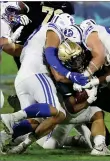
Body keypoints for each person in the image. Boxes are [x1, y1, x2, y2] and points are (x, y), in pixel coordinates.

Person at [0, 13, 86, 153]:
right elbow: (51, 55)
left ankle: (3, 137)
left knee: (35, 120)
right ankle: (11, 118)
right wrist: (69, 75)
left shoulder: (38, 34)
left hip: (22, 78)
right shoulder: (53, 29)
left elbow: (18, 50)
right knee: (57, 113)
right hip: (38, 75)